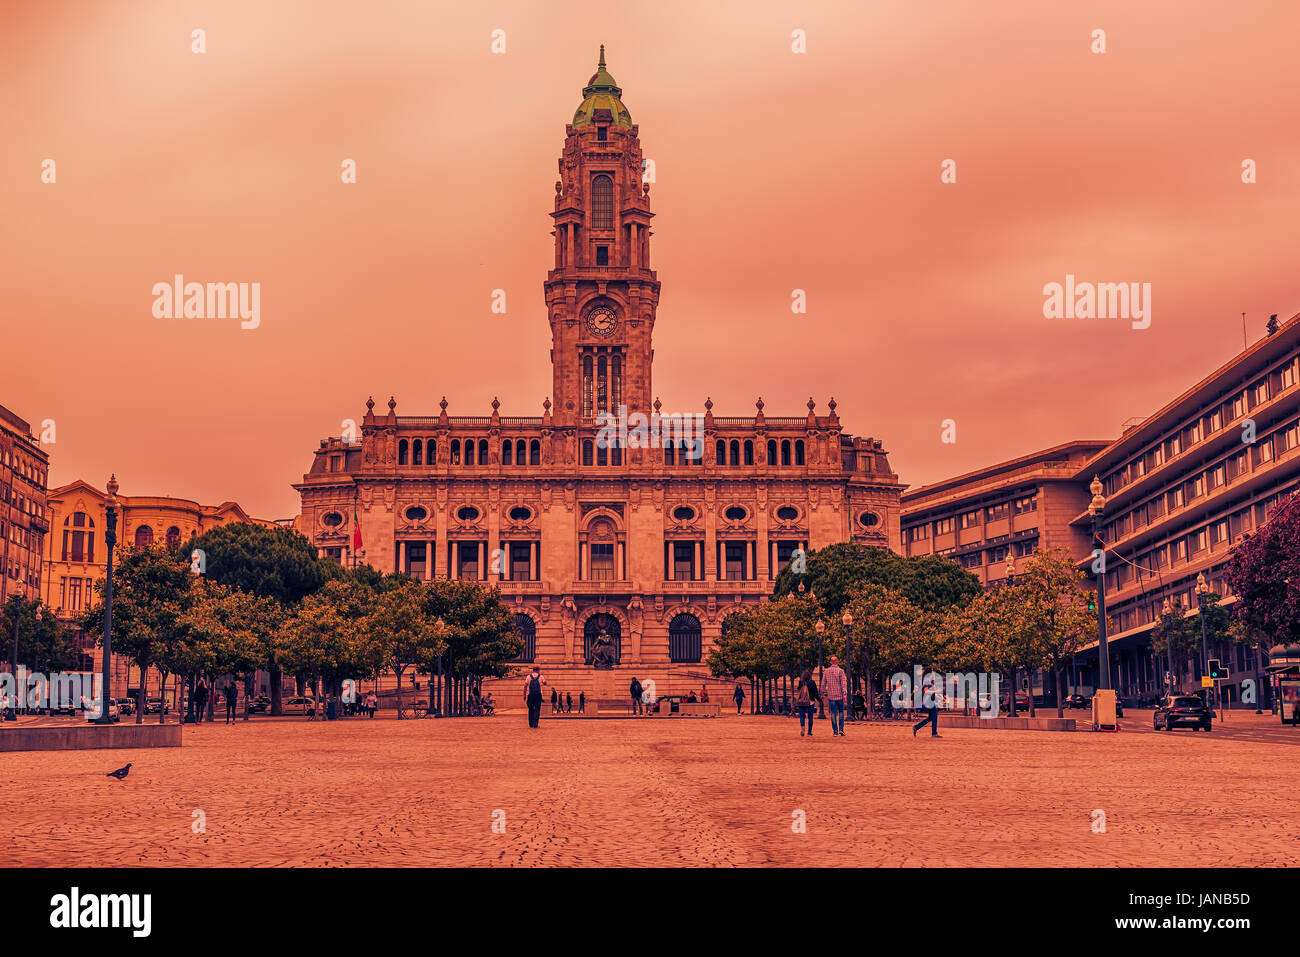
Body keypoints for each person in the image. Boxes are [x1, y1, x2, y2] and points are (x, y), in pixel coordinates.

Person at [820, 655, 848, 736]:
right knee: (841, 712)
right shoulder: (841, 671)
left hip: (831, 696)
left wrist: (822, 693)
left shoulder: (826, 671)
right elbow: (843, 683)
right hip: (840, 695)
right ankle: (841, 729)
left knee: (833, 713)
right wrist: (844, 694)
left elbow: (823, 683)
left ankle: (835, 731)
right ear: (837, 662)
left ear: (830, 662)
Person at [913, 665, 942, 739]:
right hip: (928, 702)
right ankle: (934, 733)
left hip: (929, 701)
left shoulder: (928, 680)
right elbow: (926, 691)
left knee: (930, 717)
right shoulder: (926, 680)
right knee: (934, 716)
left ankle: (916, 727)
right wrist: (935, 691)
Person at [795, 668, 821, 737]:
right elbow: (815, 693)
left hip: (802, 702)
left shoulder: (800, 682)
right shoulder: (812, 682)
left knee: (802, 716)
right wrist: (819, 700)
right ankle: (809, 731)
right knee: (810, 716)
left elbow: (798, 690)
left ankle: (802, 726)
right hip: (810, 701)